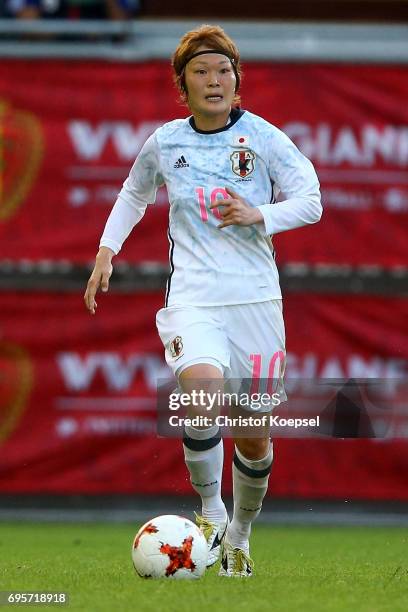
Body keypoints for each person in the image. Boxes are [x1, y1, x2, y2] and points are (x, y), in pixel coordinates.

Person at [84, 24, 322, 577]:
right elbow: (133, 193)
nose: (214, 80)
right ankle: (212, 514)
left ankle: (238, 534)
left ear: (237, 84)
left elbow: (311, 201)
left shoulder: (264, 138)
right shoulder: (166, 142)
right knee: (200, 391)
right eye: (201, 71)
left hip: (257, 302)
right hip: (193, 299)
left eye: (223, 71)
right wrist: (105, 251)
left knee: (254, 437)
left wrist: (260, 213)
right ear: (182, 84)